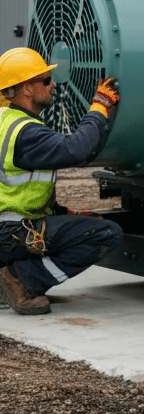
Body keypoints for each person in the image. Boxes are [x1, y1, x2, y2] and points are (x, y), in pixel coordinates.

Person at [0, 47, 124, 314]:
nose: (53, 84)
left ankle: (11, 277)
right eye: (46, 80)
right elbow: (77, 149)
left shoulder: (6, 121)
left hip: (7, 229)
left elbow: (17, 188)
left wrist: (63, 214)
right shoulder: (26, 133)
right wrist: (100, 106)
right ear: (27, 89)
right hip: (10, 233)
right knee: (104, 233)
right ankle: (22, 281)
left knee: (84, 225)